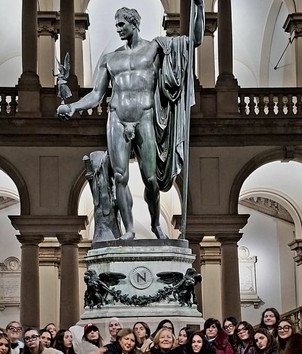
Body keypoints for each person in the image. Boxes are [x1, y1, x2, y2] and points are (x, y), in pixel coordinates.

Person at [57, 1, 205, 240]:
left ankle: (156, 224)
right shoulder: (109, 59)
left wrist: (199, 8)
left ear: (134, 24)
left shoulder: (156, 48)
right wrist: (73, 107)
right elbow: (96, 95)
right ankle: (130, 230)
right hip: (117, 119)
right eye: (116, 25)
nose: (118, 29)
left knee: (150, 178)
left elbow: (194, 41)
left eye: (122, 24)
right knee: (119, 177)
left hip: (145, 117)